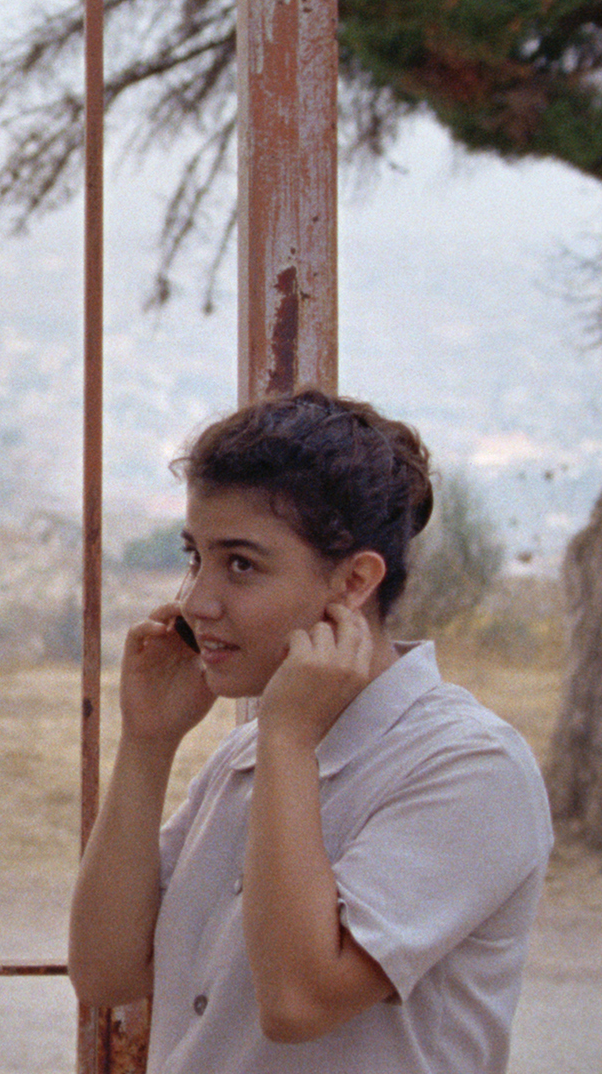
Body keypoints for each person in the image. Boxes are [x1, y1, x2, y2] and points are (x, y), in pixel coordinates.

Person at [67, 390, 552, 1072]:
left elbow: (298, 1001)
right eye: (195, 557)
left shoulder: (471, 766)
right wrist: (147, 743)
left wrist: (289, 742)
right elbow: (105, 972)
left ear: (354, 581)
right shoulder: (248, 755)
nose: (197, 601)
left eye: (240, 564)